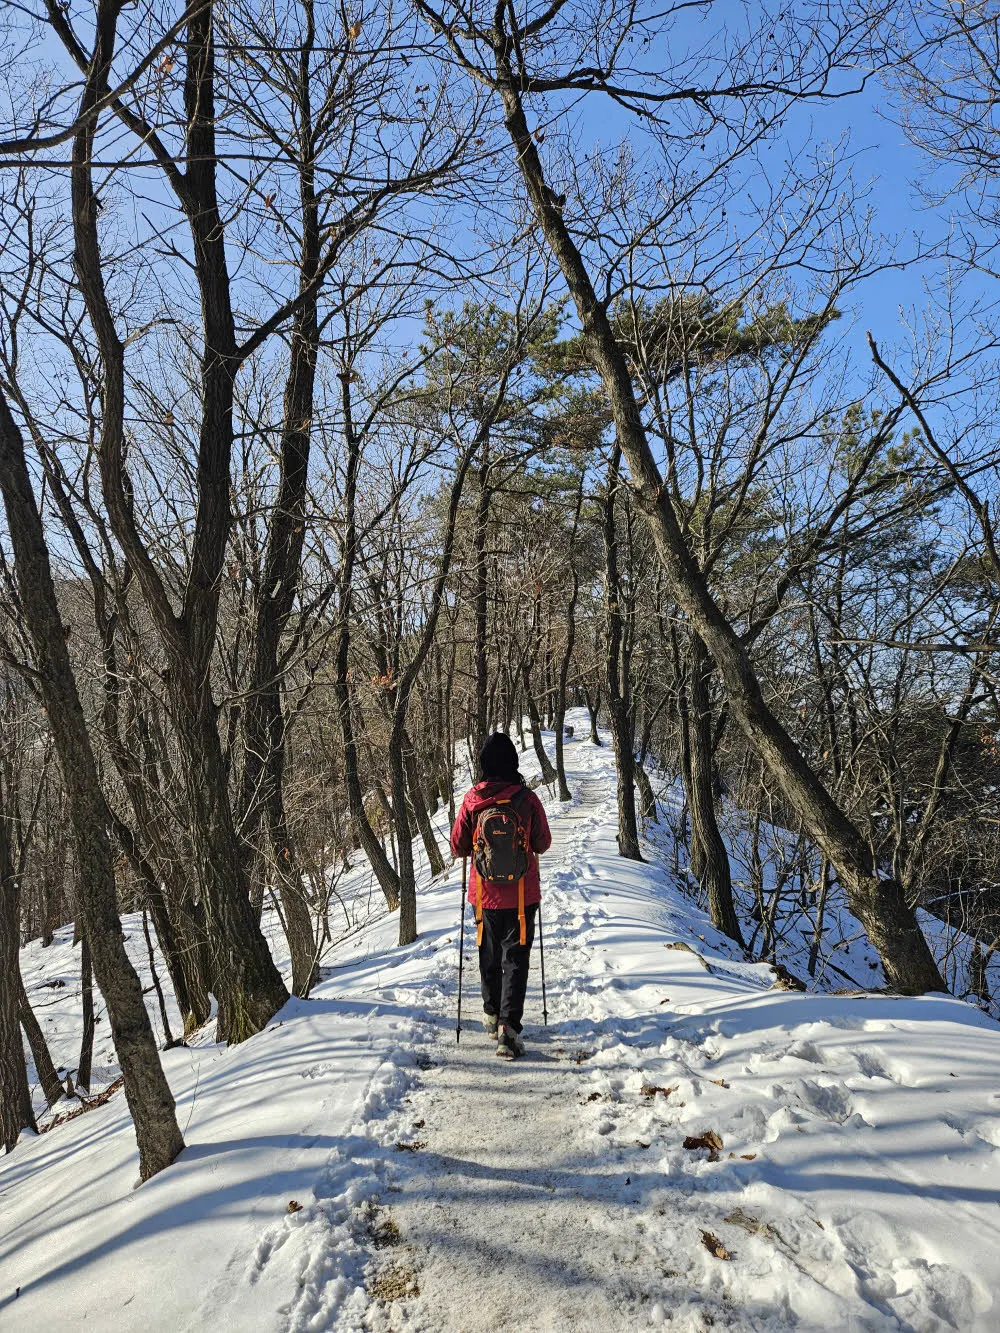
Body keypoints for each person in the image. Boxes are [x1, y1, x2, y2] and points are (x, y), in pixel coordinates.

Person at [451, 732, 552, 1058]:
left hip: (484, 895)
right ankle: (509, 1029)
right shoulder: (526, 799)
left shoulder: (472, 799)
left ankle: (492, 1013)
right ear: (513, 762)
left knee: (489, 955)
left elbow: (457, 846)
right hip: (523, 895)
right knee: (516, 960)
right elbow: (542, 843)